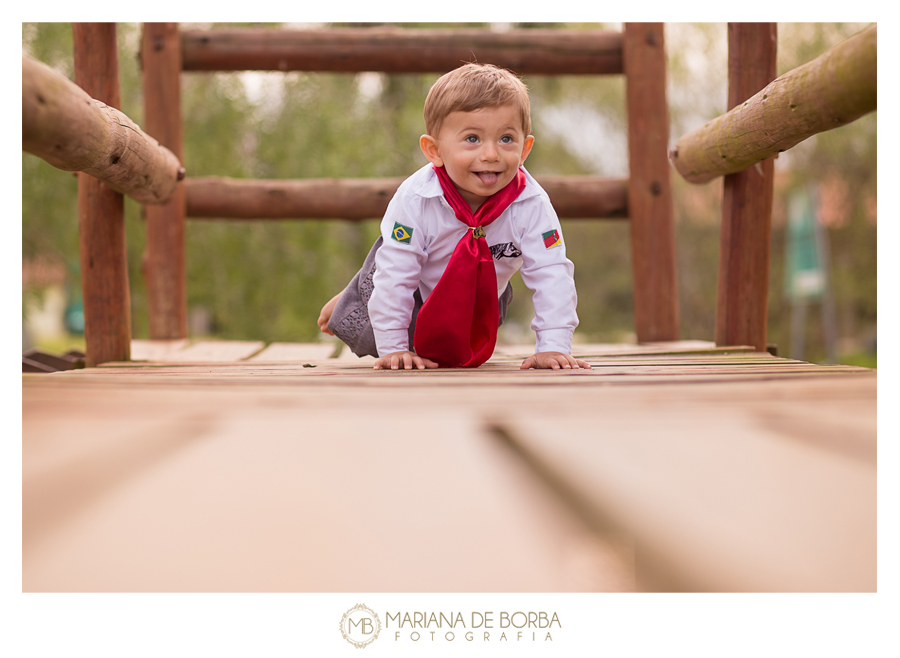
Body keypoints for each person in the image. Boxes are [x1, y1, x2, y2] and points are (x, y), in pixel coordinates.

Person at [317, 63, 590, 372]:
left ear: (525, 148)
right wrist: (394, 350)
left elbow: (552, 273)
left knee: (456, 354)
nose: (491, 154)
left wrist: (553, 346)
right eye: (472, 139)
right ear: (434, 150)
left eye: (506, 139)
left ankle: (366, 291)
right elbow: (396, 276)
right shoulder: (416, 199)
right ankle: (357, 293)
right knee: (378, 328)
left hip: (482, 293)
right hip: (417, 280)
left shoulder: (531, 204)